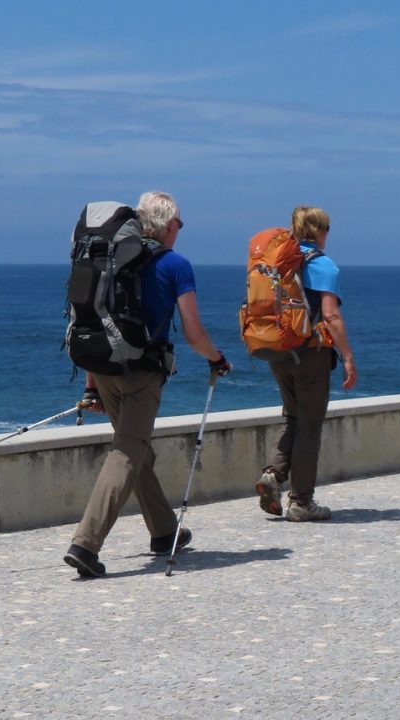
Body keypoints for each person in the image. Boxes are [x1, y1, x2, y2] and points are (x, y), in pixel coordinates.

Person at [64, 191, 231, 578]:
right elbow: (193, 332)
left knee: (138, 451)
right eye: (180, 224)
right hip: (142, 372)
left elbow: (94, 316)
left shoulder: (109, 259)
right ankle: (85, 545)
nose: (181, 231)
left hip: (102, 368)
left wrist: (91, 386)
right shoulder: (175, 264)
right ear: (169, 225)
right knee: (127, 451)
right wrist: (217, 359)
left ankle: (163, 531)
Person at [255, 206, 357, 522]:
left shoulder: (278, 261)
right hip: (310, 354)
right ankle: (301, 502)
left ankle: (274, 473)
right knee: (310, 426)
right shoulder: (324, 266)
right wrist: (348, 357)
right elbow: (330, 315)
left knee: (293, 416)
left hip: (278, 351)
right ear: (319, 231)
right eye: (327, 229)